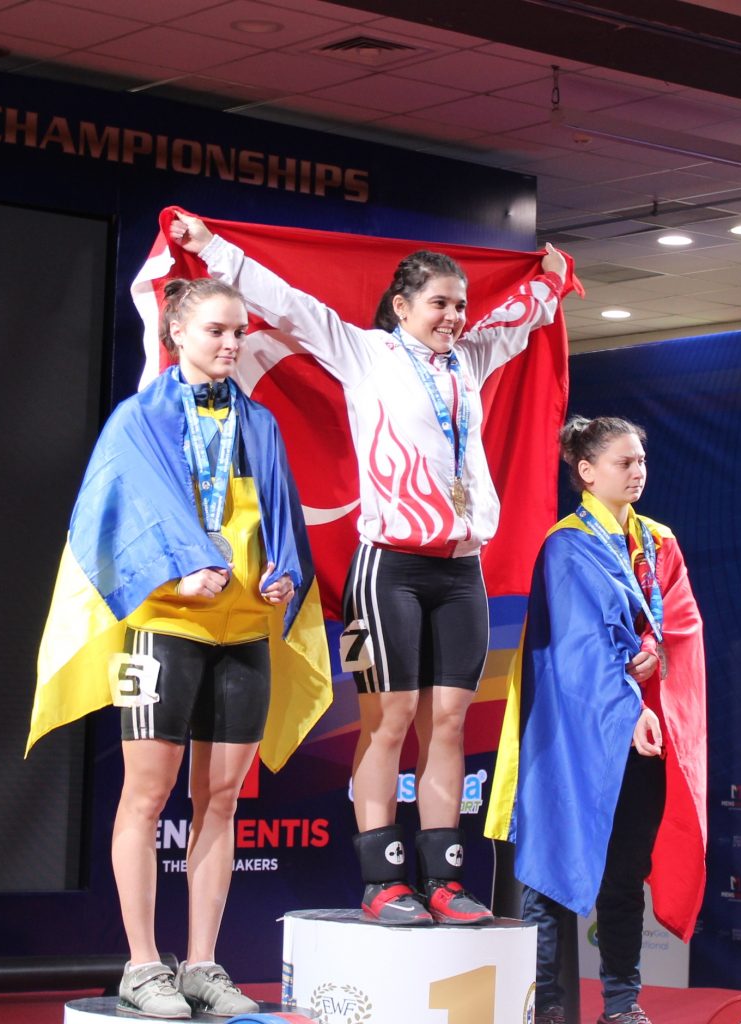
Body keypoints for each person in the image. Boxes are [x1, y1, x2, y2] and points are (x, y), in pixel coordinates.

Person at [168, 210, 568, 927]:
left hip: (462, 572)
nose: (454, 317)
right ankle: (382, 881)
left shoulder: (470, 359)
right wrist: (212, 246)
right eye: (439, 303)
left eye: (460, 305)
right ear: (402, 306)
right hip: (388, 571)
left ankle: (444, 881)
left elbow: (521, 319)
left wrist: (553, 283)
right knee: (391, 720)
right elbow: (285, 300)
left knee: (449, 723)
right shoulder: (363, 352)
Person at [28, 276, 331, 1018]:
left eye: (239, 332)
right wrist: (173, 573)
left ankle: (201, 965)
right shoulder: (138, 420)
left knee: (220, 802)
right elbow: (109, 523)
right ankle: (141, 966)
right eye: (216, 331)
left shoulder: (258, 422)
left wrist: (284, 575)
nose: (231, 344)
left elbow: (281, 519)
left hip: (244, 633)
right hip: (165, 631)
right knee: (147, 796)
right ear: (177, 335)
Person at [485, 416, 707, 1024]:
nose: (638, 472)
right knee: (551, 870)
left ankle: (622, 1004)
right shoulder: (566, 544)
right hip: (572, 735)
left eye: (641, 461)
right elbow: (579, 649)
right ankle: (547, 1007)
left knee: (625, 873)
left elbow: (681, 623)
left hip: (642, 735)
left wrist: (656, 649)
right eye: (623, 463)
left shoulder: (658, 541)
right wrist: (628, 707)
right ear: (586, 472)